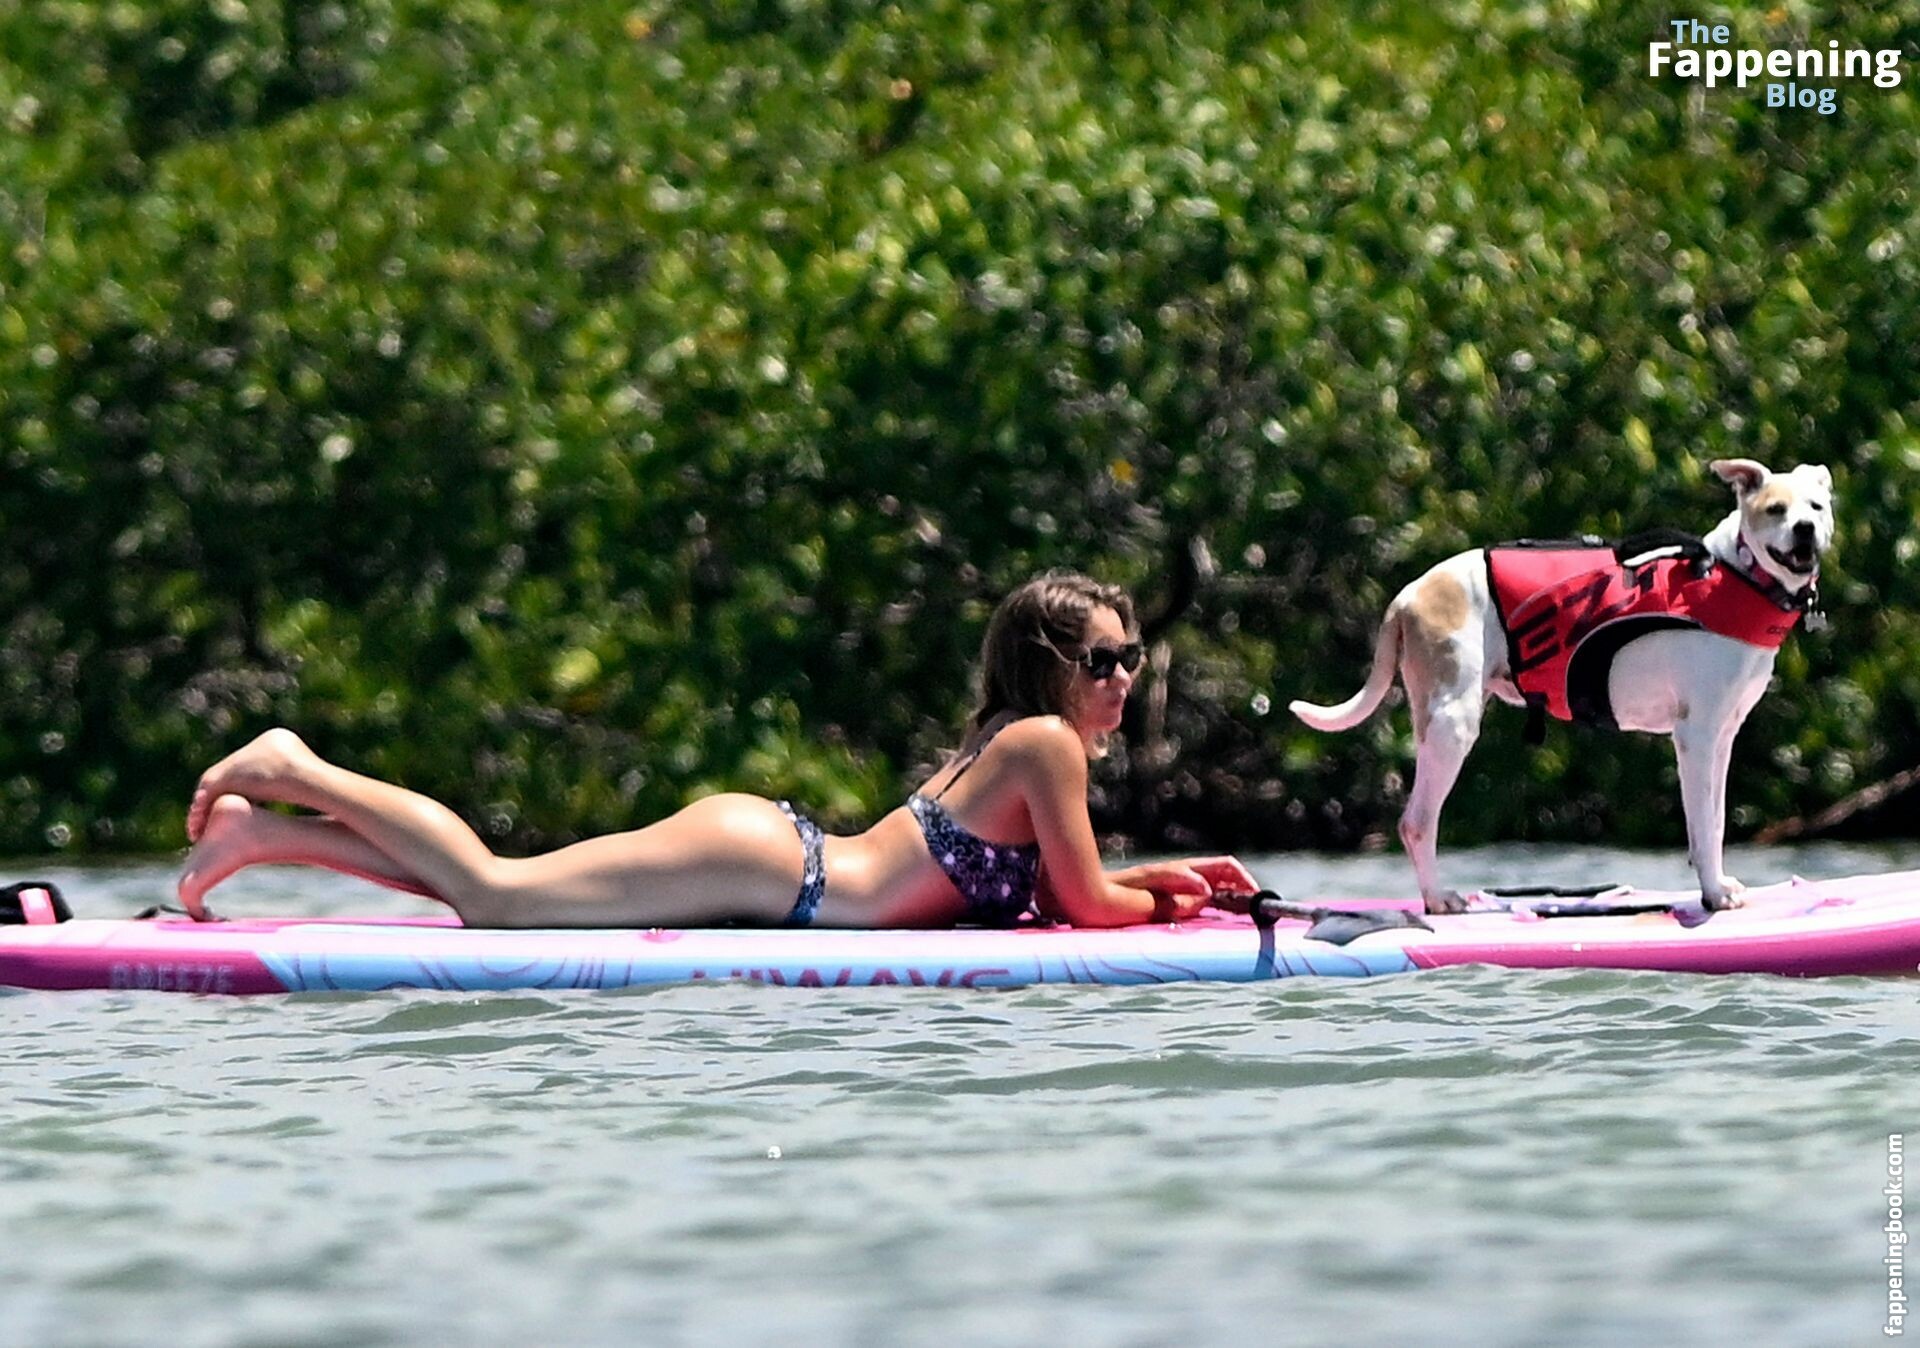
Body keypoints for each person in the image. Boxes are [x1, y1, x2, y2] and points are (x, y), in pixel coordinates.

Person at [177, 571, 1257, 928]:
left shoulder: (1017, 741)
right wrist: (1174, 902)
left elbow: (1065, 890)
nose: (1125, 678)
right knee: (499, 894)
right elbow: (1084, 908)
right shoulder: (1045, 743)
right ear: (1050, 665)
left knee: (496, 898)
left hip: (779, 861)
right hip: (772, 867)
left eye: (1131, 657)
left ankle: (263, 836)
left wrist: (1164, 878)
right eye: (1105, 660)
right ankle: (298, 769)